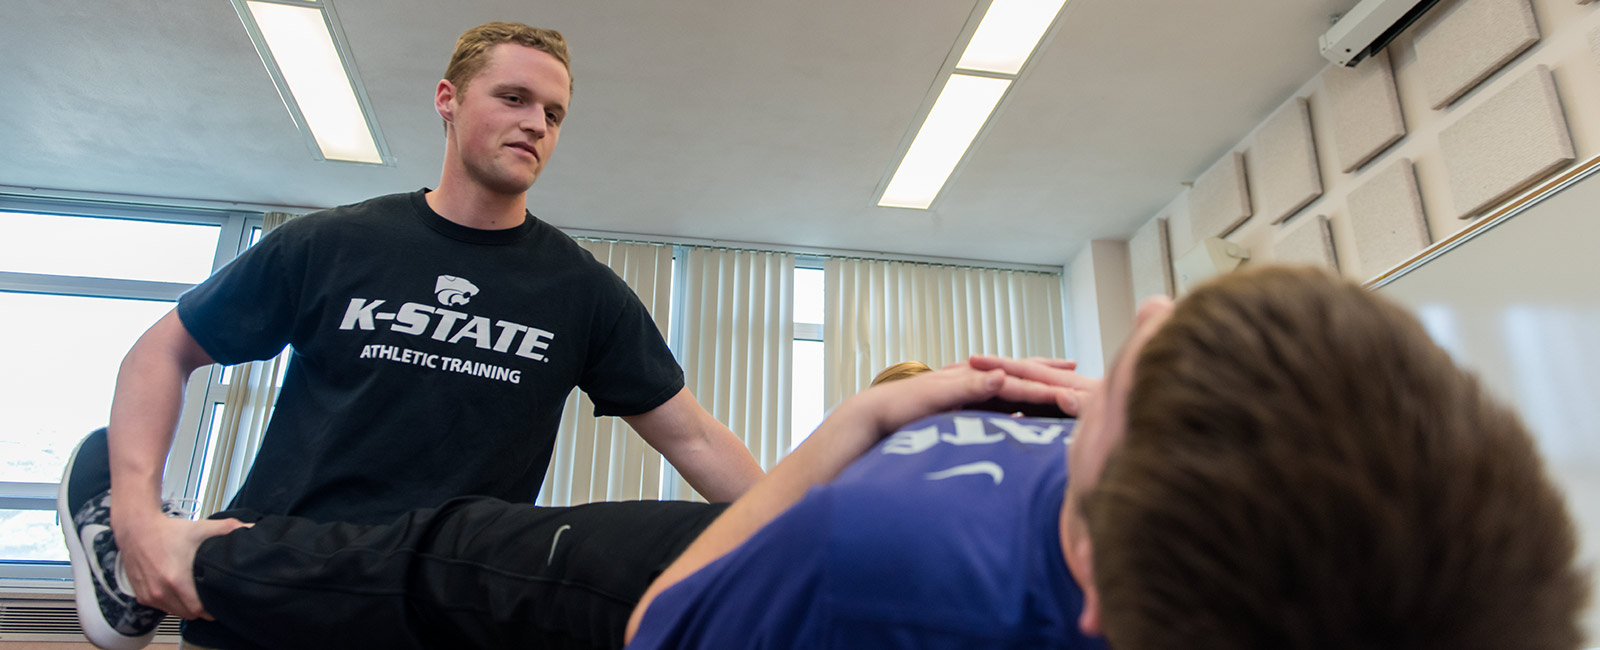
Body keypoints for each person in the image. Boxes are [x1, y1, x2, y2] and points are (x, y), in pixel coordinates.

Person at [63, 267, 1588, 649]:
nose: (1135, 324)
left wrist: (862, 422)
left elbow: (674, 620)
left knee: (429, 559)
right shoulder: (1217, 540)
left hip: (668, 583)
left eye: (1121, 380)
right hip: (773, 556)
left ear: (1103, 559)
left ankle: (166, 572)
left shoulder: (898, 570)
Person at [66, 21, 763, 650]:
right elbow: (162, 350)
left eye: (554, 113)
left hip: (443, 612)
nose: (537, 125)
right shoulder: (335, 244)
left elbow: (694, 436)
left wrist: (805, 530)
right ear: (448, 99)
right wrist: (134, 523)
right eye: (513, 98)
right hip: (276, 593)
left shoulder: (584, 292)